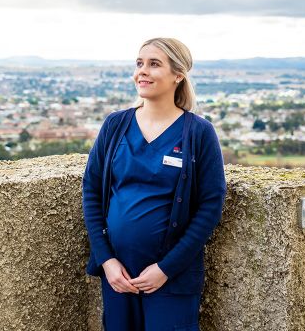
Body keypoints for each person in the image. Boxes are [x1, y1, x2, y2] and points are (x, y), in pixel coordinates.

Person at [82, 37, 226, 331]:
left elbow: (210, 205)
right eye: (139, 63)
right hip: (118, 276)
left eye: (154, 64)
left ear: (178, 75)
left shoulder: (197, 133)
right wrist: (107, 261)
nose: (142, 72)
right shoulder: (115, 125)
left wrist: (166, 268)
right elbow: (92, 192)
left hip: (170, 278)